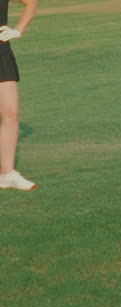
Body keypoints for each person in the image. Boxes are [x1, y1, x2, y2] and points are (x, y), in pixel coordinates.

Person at [0, 0, 37, 191]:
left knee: (11, 112)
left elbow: (31, 2)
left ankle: (6, 174)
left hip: (1, 52)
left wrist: (18, 30)